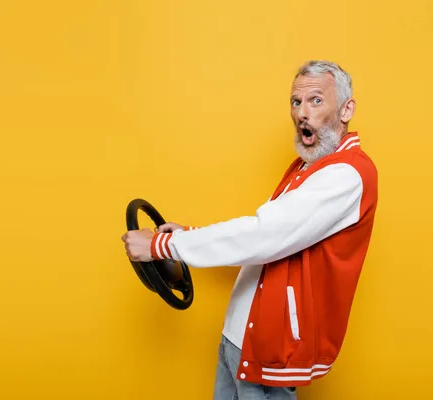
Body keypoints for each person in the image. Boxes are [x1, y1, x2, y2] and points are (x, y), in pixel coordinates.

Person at [122, 60, 378, 400]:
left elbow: (264, 235)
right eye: (295, 102)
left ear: (347, 109)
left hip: (269, 349)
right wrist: (187, 232)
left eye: (316, 100)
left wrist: (163, 246)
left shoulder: (346, 174)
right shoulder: (311, 165)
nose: (302, 112)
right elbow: (271, 234)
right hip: (239, 339)